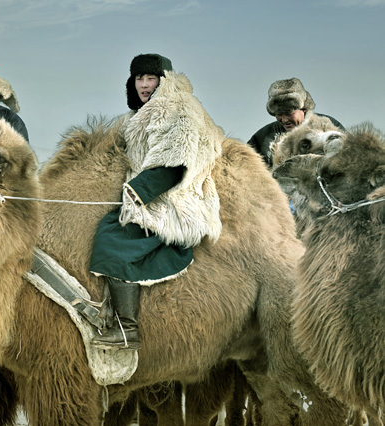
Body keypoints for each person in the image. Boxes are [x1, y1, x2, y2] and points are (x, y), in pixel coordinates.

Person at [89, 53, 224, 350]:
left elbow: (176, 162)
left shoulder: (179, 108)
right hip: (150, 193)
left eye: (151, 78)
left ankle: (128, 330)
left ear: (165, 80)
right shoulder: (142, 113)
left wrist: (138, 192)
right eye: (139, 78)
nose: (145, 85)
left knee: (114, 240)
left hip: (173, 198)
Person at [247, 78, 344, 166]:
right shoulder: (263, 137)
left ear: (304, 108)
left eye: (289, 113)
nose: (284, 120)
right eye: (279, 114)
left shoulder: (328, 127)